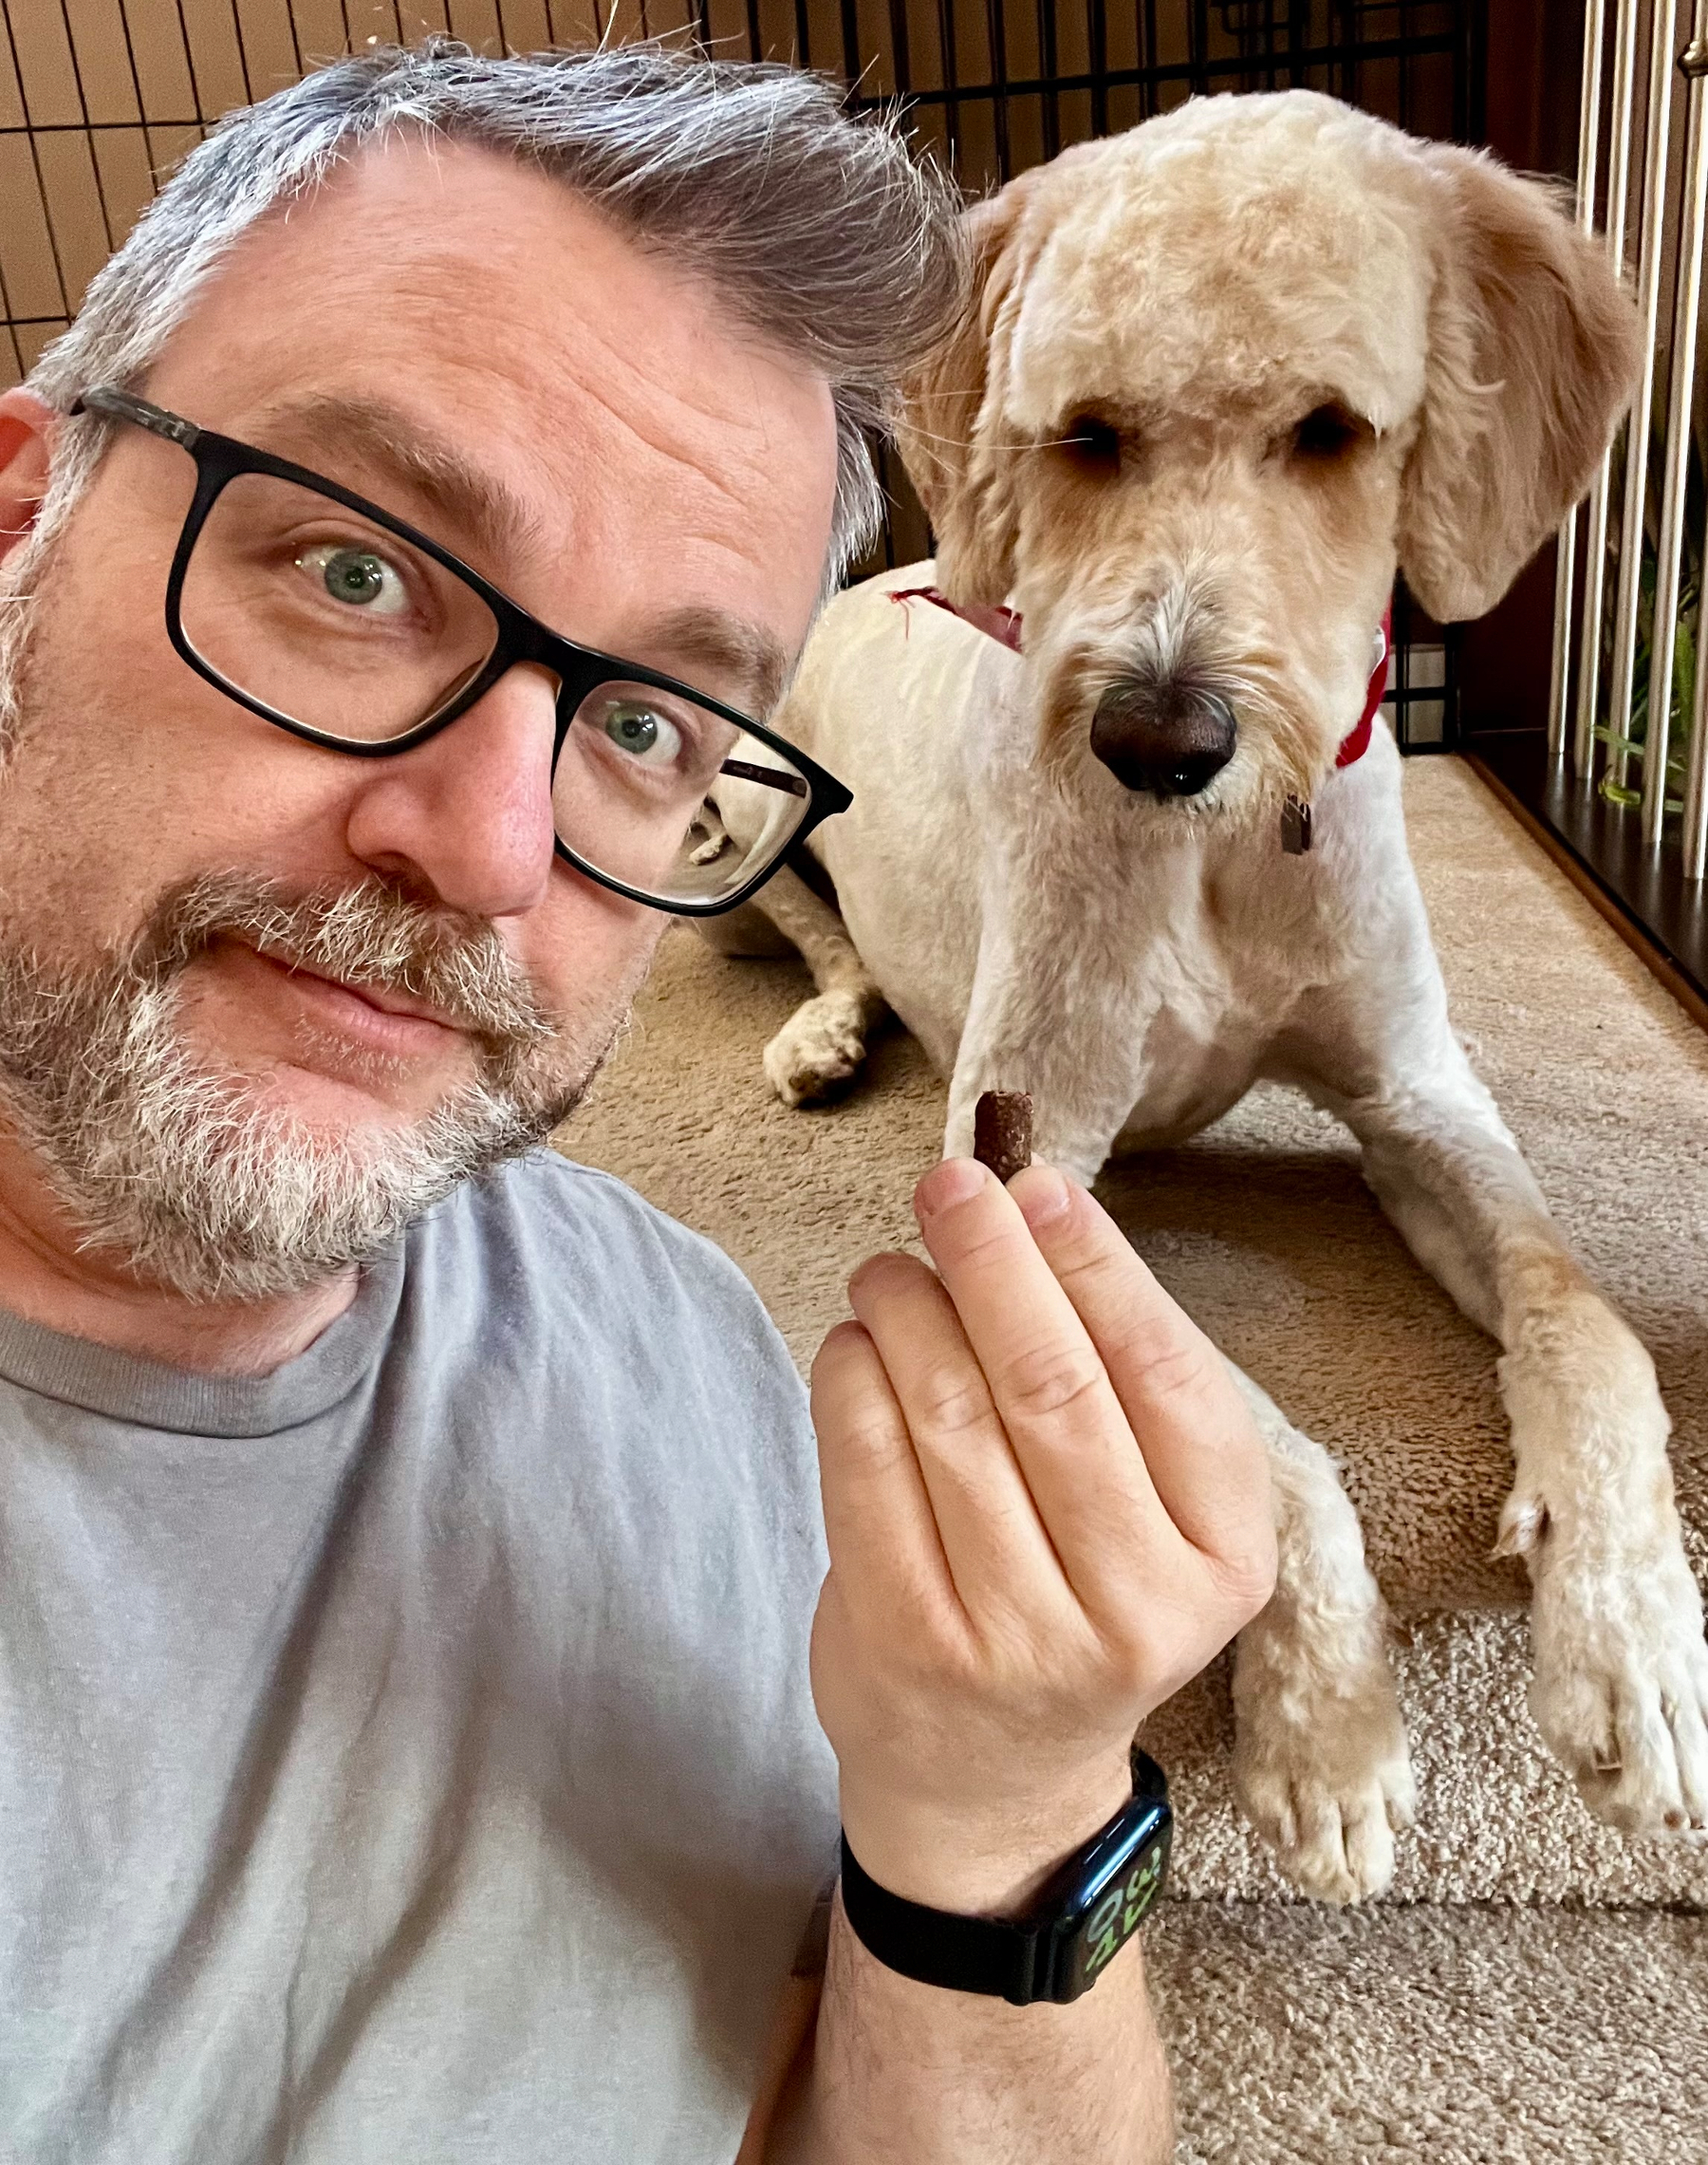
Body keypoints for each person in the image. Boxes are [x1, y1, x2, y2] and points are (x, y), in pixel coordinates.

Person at [0, 40, 1275, 2164]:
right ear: (22, 529)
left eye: (653, 725)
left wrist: (1006, 1815)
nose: (491, 847)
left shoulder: (683, 1346)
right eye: (354, 572)